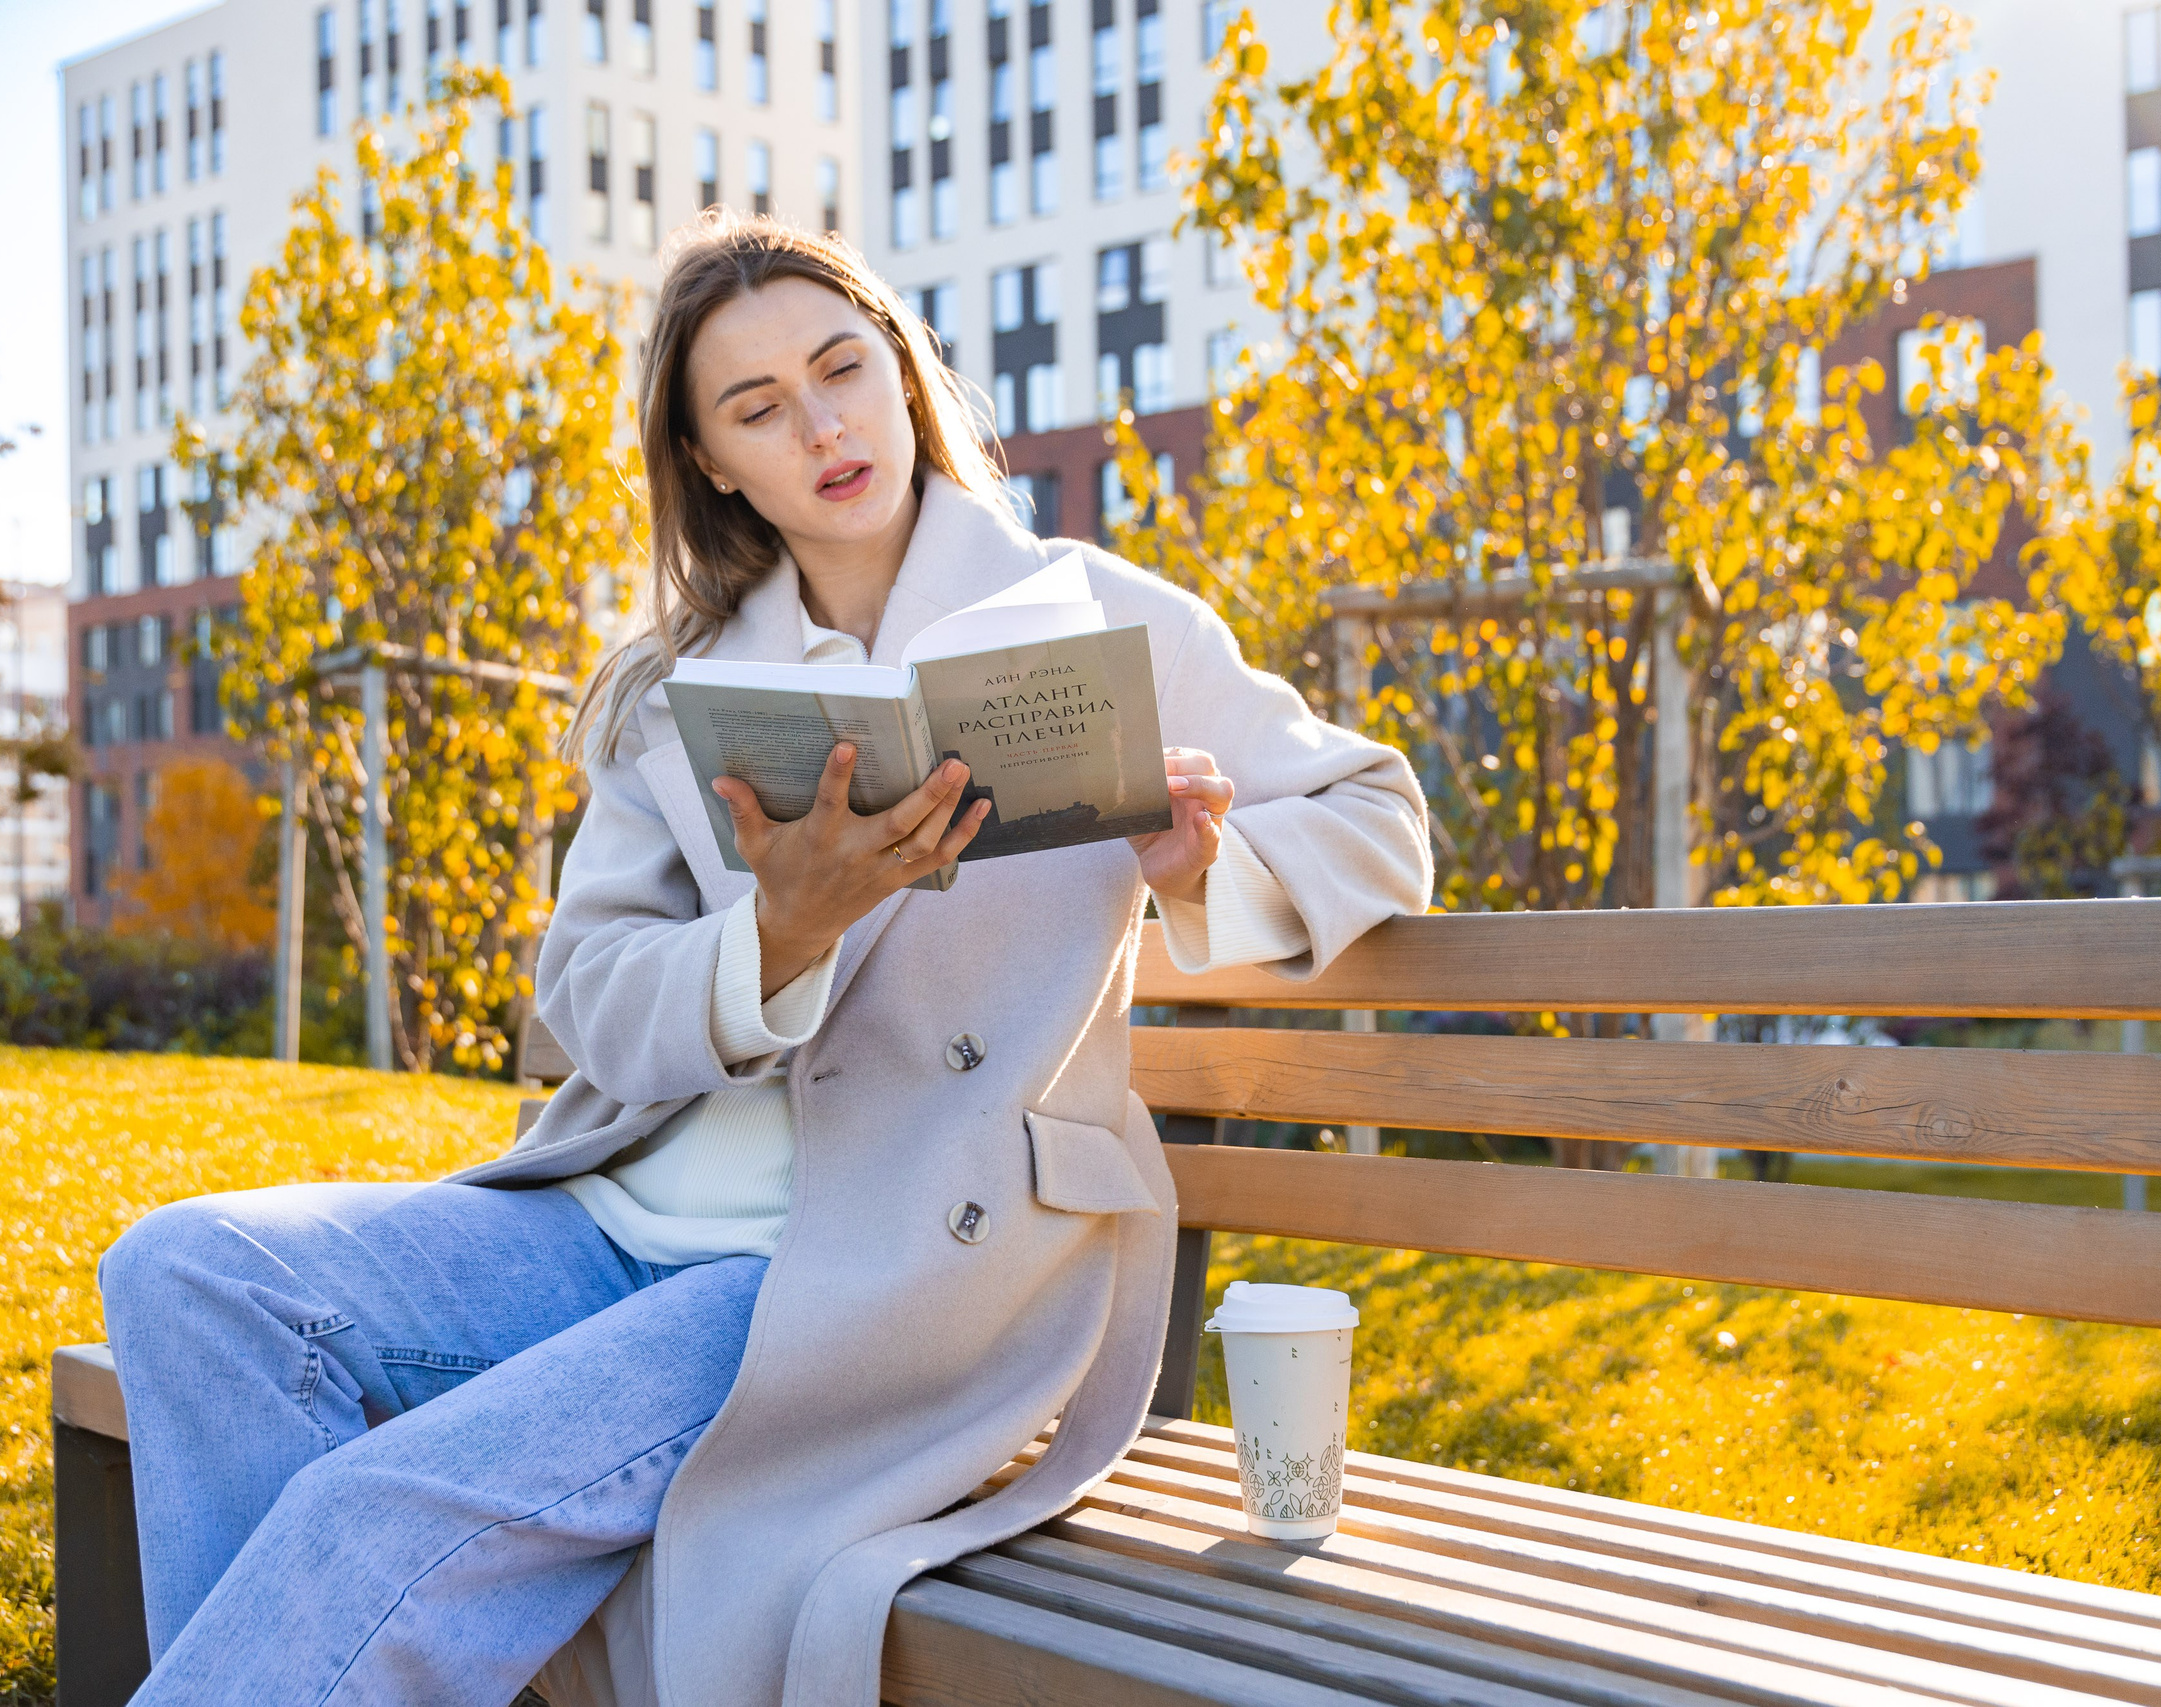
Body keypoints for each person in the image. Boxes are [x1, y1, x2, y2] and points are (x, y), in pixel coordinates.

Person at [98, 212, 1431, 1707]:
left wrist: (1204, 866)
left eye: (841, 368)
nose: (821, 425)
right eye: (757, 408)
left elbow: (1379, 811)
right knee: (192, 1273)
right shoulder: (677, 684)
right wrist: (777, 938)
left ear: (905, 375)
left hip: (890, 1256)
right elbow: (590, 989)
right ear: (714, 461)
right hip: (614, 1224)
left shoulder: (1100, 613)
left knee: (370, 1514)